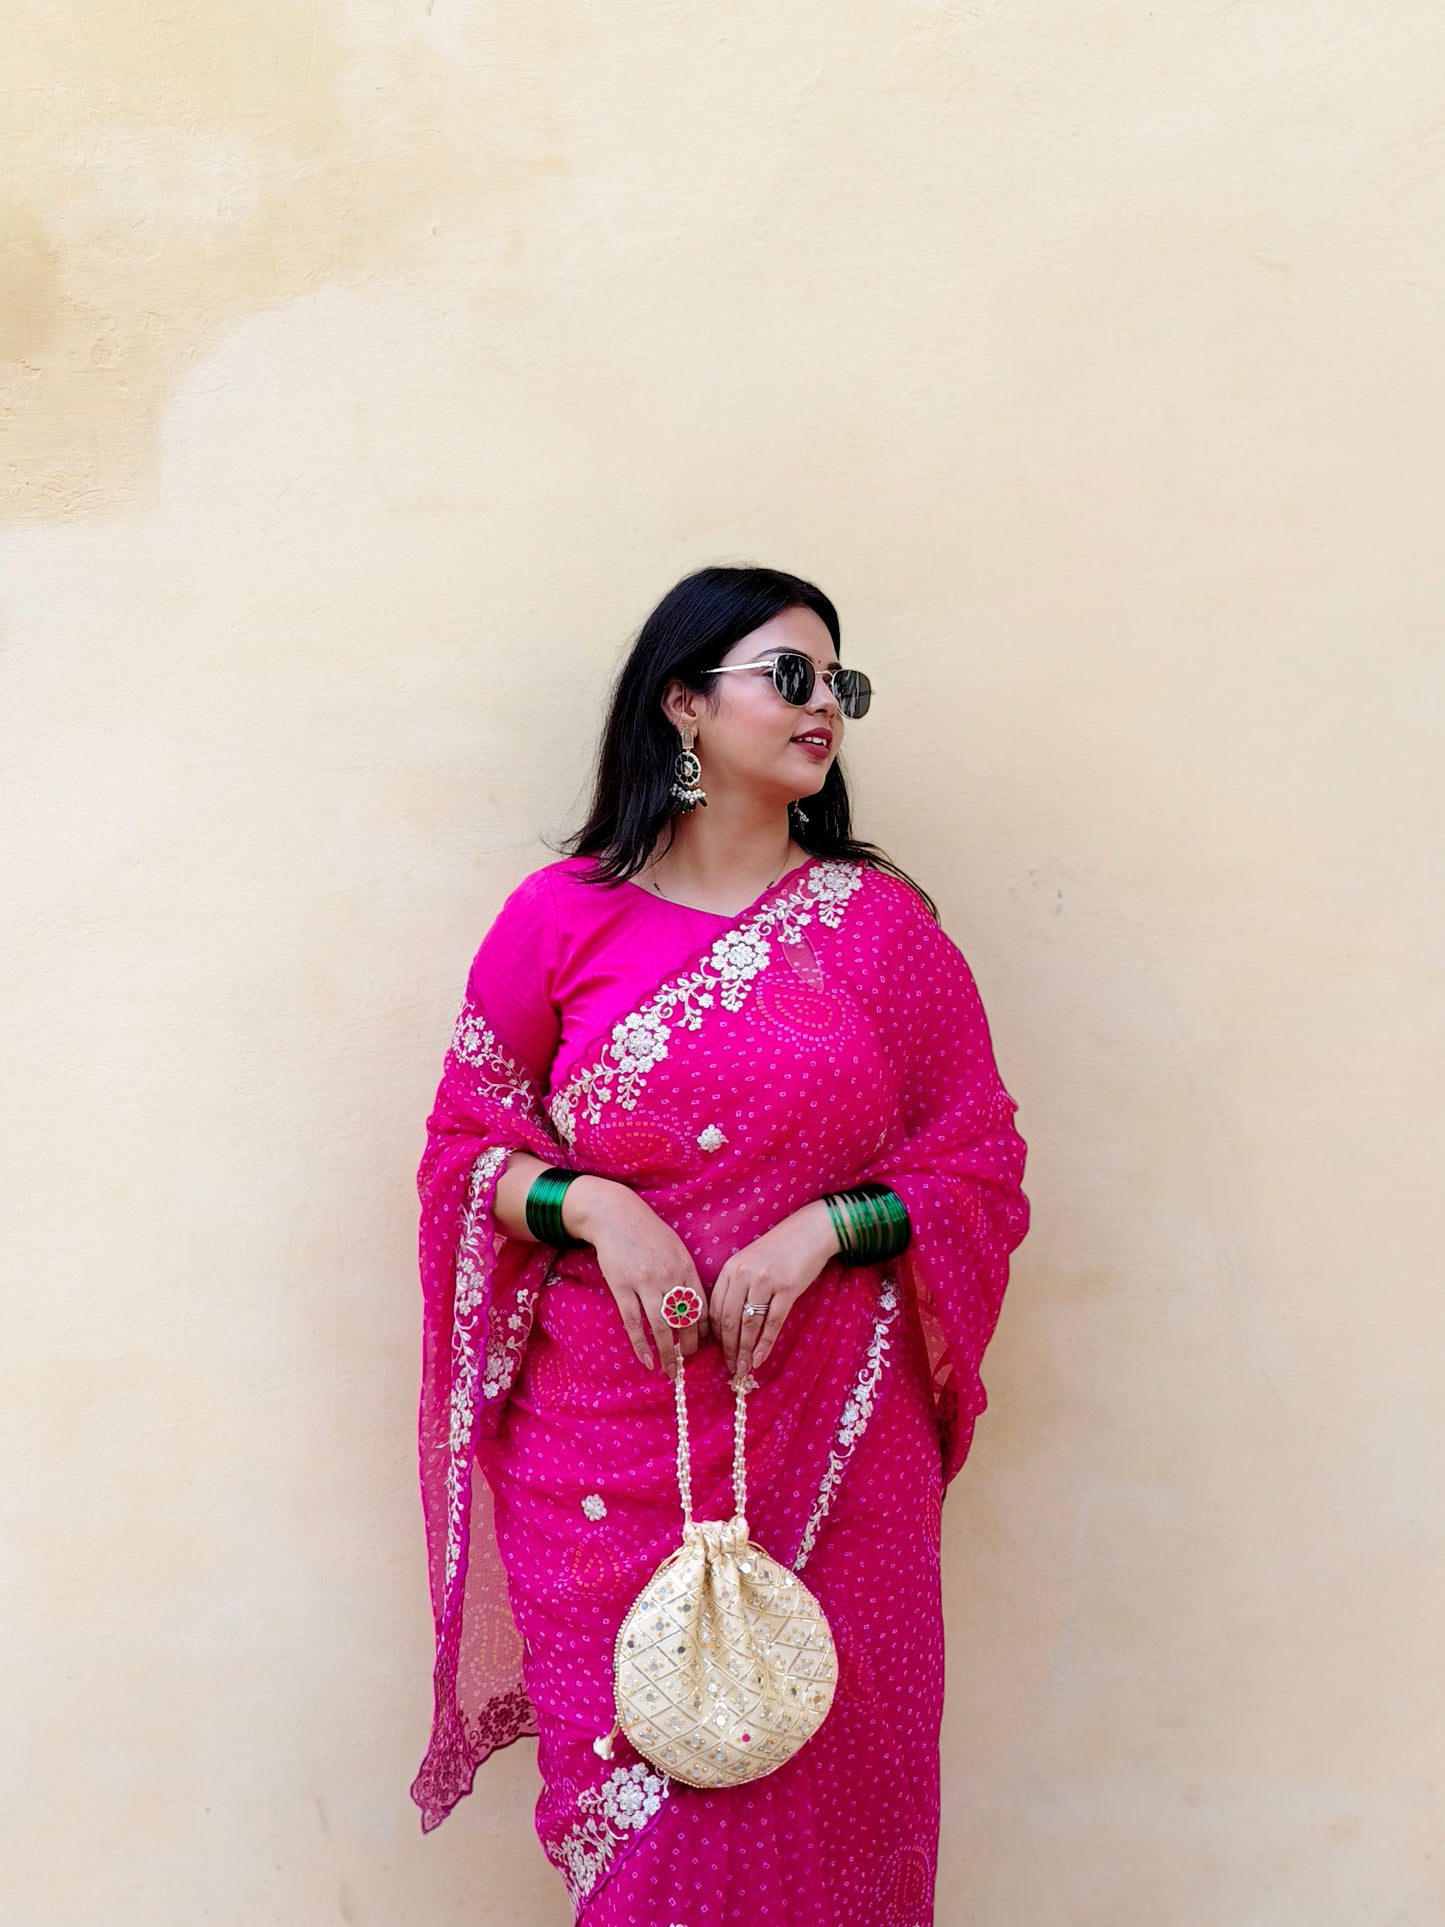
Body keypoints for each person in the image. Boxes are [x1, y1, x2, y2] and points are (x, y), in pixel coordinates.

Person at [410, 563, 1031, 1924]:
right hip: (603, 1451)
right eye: (788, 677)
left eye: (839, 686)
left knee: (833, 1806)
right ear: (683, 704)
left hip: (835, 1445)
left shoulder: (882, 933)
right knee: (648, 1848)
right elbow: (467, 1156)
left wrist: (824, 1226)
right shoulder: (560, 919)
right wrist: (595, 1204)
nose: (823, 709)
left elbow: (976, 1162)